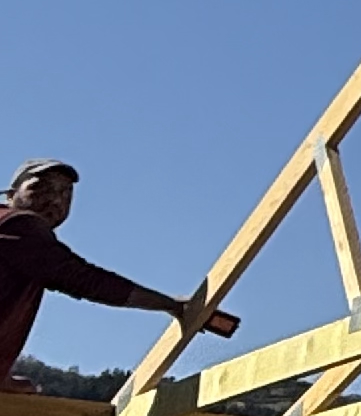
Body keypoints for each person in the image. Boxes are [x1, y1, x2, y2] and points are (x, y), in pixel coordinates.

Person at [0, 160, 237, 384]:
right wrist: (170, 304)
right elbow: (85, 280)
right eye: (42, 189)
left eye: (66, 194)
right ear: (10, 195)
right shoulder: (18, 223)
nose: (55, 200)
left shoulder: (23, 244)